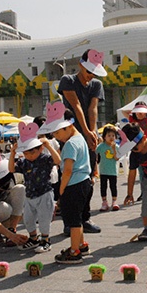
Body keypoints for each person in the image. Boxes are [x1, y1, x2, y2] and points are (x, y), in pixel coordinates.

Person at [58, 49, 106, 234]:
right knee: (70, 178)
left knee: (88, 179)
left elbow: (92, 108)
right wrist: (85, 131)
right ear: (80, 65)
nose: (90, 76)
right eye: (88, 72)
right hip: (70, 136)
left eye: (93, 73)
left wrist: (92, 133)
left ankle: (84, 218)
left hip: (87, 136)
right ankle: (69, 222)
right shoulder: (68, 81)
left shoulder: (96, 84)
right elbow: (75, 105)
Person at [45, 107, 93, 264]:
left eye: (58, 133)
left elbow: (67, 170)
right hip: (85, 182)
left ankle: (74, 252)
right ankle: (81, 244)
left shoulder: (70, 145)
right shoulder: (80, 140)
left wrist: (61, 189)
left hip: (73, 185)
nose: (56, 137)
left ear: (68, 127)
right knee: (77, 218)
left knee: (72, 220)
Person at [9, 126, 59, 253]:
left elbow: (58, 160)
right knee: (28, 219)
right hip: (30, 194)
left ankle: (46, 241)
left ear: (40, 149)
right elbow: (11, 169)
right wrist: (13, 152)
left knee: (44, 219)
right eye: (26, 153)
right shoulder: (23, 162)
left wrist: (48, 145)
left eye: (32, 152)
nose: (29, 156)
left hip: (44, 193)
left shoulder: (44, 159)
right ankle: (33, 238)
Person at [96, 125, 120, 212]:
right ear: (104, 137)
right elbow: (95, 153)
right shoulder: (101, 146)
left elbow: (117, 158)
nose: (111, 137)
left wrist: (113, 149)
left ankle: (114, 202)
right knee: (103, 187)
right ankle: (104, 202)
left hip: (113, 171)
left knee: (113, 186)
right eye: (109, 135)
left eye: (113, 135)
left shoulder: (116, 146)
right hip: (103, 170)